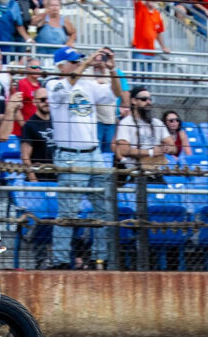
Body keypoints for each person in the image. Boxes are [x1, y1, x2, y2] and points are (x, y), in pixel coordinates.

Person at [47, 46, 123, 270]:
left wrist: (112, 69)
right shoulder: (54, 84)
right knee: (69, 211)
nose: (78, 63)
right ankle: (60, 260)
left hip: (94, 153)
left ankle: (101, 258)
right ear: (61, 65)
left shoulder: (87, 84)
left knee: (103, 209)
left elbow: (116, 94)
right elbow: (68, 83)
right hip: (71, 155)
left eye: (79, 60)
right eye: (74, 61)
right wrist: (88, 63)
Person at [116, 86, 176, 178]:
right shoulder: (126, 123)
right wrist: (151, 152)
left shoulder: (157, 123)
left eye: (149, 99)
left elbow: (174, 147)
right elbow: (123, 150)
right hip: (136, 173)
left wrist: (168, 149)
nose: (148, 102)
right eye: (144, 99)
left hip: (157, 171)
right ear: (134, 101)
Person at [21, 88, 56, 182]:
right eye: (43, 99)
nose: (47, 102)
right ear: (34, 102)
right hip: (40, 178)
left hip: (58, 176)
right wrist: (34, 181)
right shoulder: (29, 125)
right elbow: (25, 156)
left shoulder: (57, 121)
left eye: (49, 99)